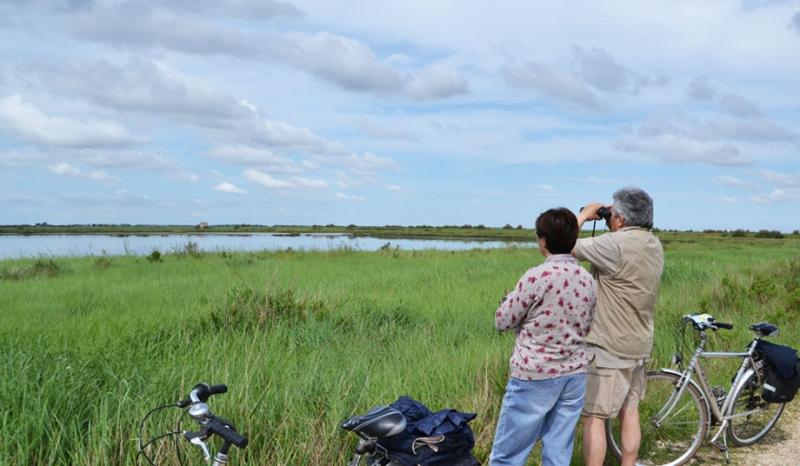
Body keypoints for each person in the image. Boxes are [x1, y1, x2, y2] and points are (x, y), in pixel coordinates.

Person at [489, 208, 597, 466]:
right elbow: (588, 325)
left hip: (535, 374)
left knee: (508, 455)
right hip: (574, 374)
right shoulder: (586, 278)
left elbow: (502, 321)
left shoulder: (537, 276)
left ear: (543, 240)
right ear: (573, 240)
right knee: (558, 452)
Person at [574, 187, 664, 466]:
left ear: (621, 219)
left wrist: (583, 215)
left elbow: (562, 243)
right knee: (630, 411)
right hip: (639, 343)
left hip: (608, 347)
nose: (609, 217)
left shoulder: (614, 245)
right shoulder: (653, 243)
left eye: (612, 213)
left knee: (594, 416)